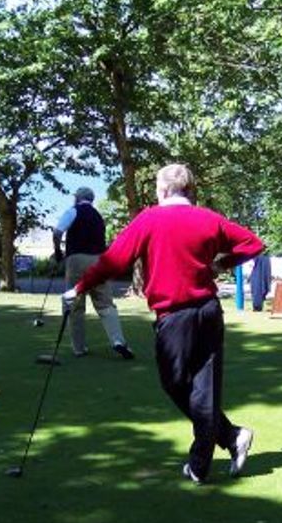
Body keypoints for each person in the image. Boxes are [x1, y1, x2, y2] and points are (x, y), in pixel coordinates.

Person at [61, 164, 264, 483]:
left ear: (164, 189)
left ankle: (210, 456)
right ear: (188, 189)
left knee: (177, 384)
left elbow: (114, 260)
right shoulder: (208, 218)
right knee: (203, 389)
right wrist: (222, 264)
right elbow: (253, 243)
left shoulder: (149, 219)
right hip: (209, 311)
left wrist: (79, 287)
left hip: (174, 314)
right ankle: (224, 444)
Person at [53, 186, 135, 360]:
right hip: (99, 261)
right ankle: (118, 340)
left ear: (77, 198)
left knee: (75, 305)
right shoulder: (98, 216)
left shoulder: (73, 211)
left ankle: (79, 347)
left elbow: (57, 232)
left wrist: (58, 252)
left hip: (76, 259)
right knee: (105, 304)